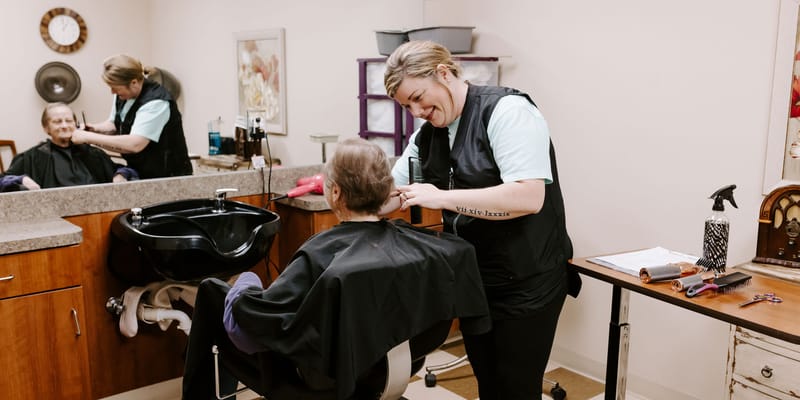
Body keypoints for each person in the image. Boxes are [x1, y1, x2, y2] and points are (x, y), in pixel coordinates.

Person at [181, 138, 490, 400]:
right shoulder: (432, 247)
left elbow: (255, 326)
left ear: (336, 193)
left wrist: (243, 284)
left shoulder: (321, 254)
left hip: (317, 378)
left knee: (211, 292)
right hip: (393, 363)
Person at [381, 40, 581, 400]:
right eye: (406, 105)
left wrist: (441, 198)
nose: (416, 111)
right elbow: (391, 191)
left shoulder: (507, 112)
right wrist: (354, 194)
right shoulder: (428, 135)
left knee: (516, 389)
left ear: (443, 73)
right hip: (476, 280)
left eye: (418, 97)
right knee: (489, 385)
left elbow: (528, 196)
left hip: (527, 281)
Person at [71, 54, 193, 179]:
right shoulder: (122, 94)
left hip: (169, 175)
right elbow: (114, 124)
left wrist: (88, 137)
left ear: (134, 82)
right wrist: (93, 128)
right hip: (141, 169)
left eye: (115, 88)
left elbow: (135, 144)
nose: (112, 92)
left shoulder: (156, 102)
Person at [5, 102, 137, 189]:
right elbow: (3, 180)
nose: (64, 125)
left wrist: (121, 174)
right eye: (57, 121)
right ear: (46, 128)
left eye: (69, 120)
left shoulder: (93, 154)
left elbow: (125, 170)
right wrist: (21, 179)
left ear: (76, 124)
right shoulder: (32, 157)